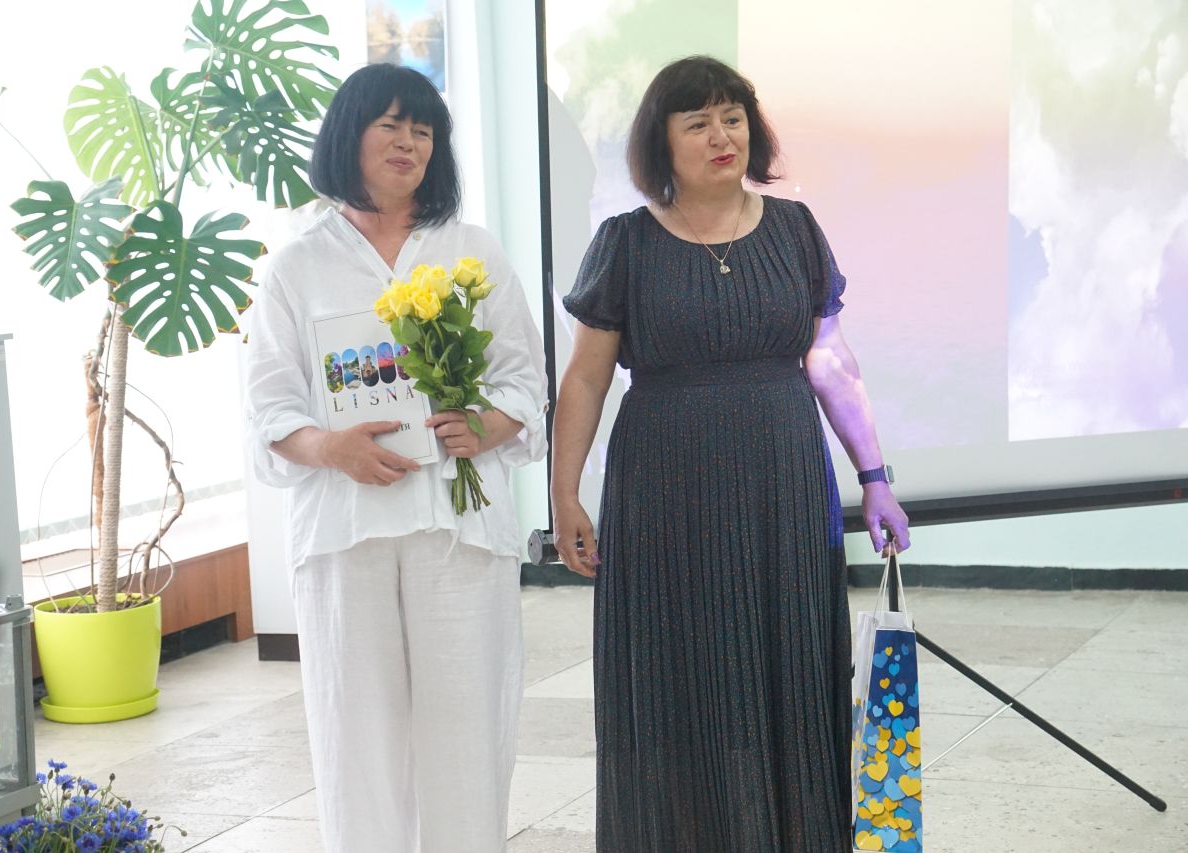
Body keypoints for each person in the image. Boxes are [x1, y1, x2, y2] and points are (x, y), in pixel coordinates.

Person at [551, 56, 910, 852]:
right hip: (665, 489)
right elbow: (585, 377)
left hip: (782, 482)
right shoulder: (625, 243)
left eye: (733, 117)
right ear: (662, 142)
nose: (722, 136)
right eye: (698, 122)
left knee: (790, 666)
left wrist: (874, 476)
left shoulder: (795, 229)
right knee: (677, 677)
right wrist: (564, 492)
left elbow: (830, 360)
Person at [244, 63, 548, 853]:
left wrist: (484, 426)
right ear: (350, 136)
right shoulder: (297, 265)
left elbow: (523, 376)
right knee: (356, 736)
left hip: (458, 527)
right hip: (345, 532)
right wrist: (330, 447)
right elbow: (269, 406)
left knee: (467, 731)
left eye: (424, 129)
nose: (409, 142)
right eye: (390, 125)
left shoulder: (471, 251)